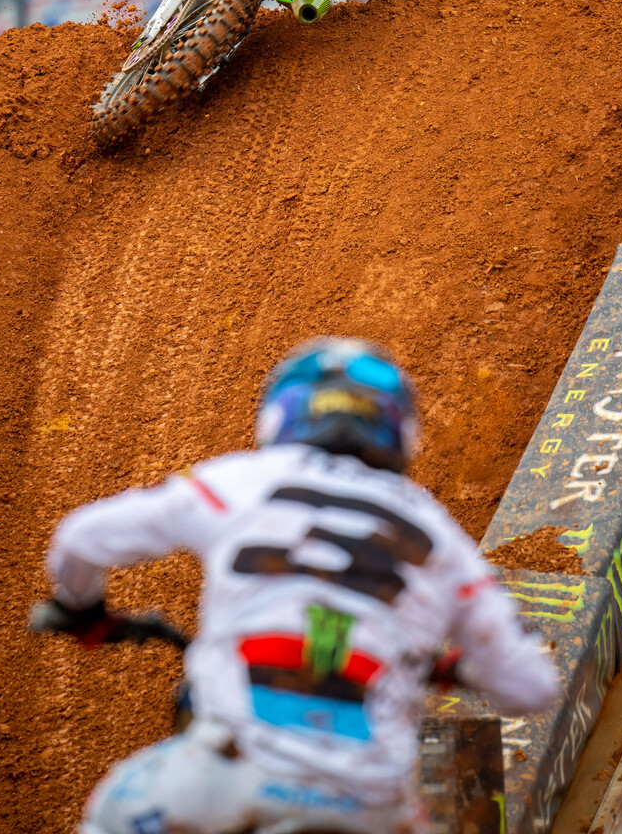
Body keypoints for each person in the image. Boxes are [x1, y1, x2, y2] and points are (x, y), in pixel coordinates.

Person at [41, 337, 559, 834]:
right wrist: (454, 670)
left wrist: (82, 610)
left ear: (281, 415)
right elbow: (532, 687)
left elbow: (80, 539)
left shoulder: (240, 482)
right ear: (399, 431)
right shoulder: (438, 534)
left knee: (110, 809)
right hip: (371, 804)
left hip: (233, 770)